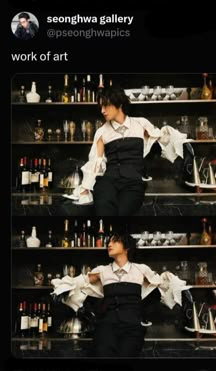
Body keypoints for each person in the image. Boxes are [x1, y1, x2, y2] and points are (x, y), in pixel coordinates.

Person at [51, 232, 190, 358]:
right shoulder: (102, 271)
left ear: (126, 247)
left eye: (114, 241)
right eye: (108, 242)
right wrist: (61, 289)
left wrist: (179, 288)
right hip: (106, 327)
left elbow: (162, 282)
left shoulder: (140, 270)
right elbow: (79, 281)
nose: (109, 244)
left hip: (132, 328)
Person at [63, 86, 191, 215]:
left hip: (133, 182)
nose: (102, 111)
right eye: (101, 107)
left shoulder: (140, 124)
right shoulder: (101, 132)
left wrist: (175, 138)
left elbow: (161, 138)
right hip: (108, 181)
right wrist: (85, 187)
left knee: (124, 212)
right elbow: (96, 161)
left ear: (119, 104)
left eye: (105, 106)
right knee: (104, 208)